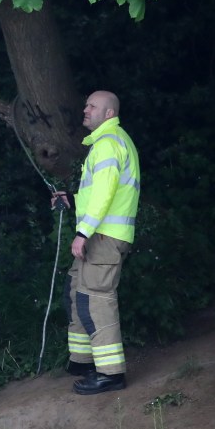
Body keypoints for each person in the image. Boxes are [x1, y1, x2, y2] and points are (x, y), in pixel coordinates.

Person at [52, 90, 141, 395]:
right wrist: (73, 199)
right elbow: (99, 194)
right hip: (99, 235)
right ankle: (83, 360)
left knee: (96, 301)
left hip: (103, 238)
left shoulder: (107, 145)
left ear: (109, 114)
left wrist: (83, 232)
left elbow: (104, 195)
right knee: (78, 292)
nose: (85, 109)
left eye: (92, 106)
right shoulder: (107, 144)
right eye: (86, 104)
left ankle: (110, 373)